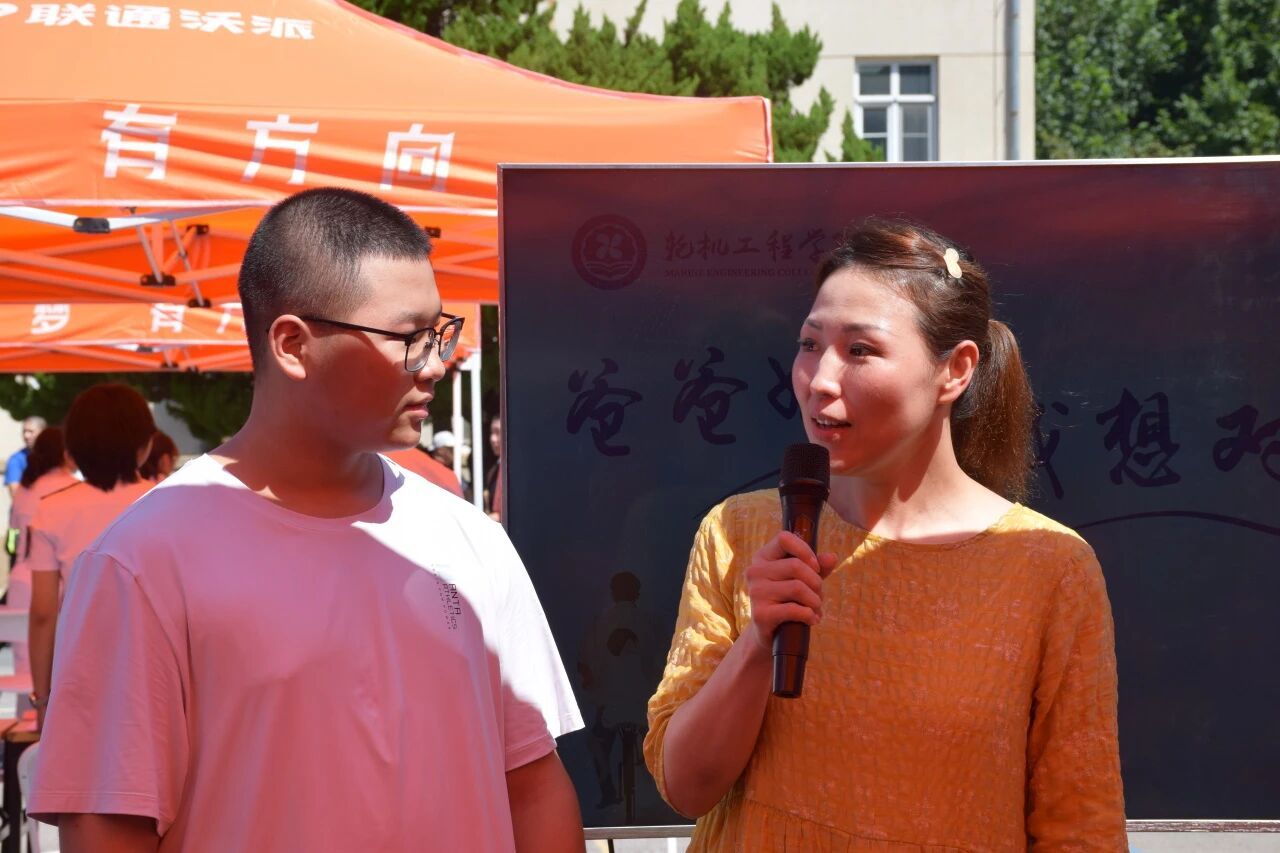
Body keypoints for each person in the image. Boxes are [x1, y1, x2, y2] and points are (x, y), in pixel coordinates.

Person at [29, 187, 584, 852]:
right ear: (292, 344)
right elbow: (107, 826)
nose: (438, 363)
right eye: (408, 337)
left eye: (439, 331)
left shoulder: (471, 540)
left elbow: (533, 783)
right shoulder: (144, 561)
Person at [644, 217, 1126, 850]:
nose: (819, 379)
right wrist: (757, 644)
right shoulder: (740, 531)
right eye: (810, 343)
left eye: (860, 351)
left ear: (955, 370)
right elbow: (685, 787)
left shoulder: (1048, 565)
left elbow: (1080, 823)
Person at [27, 384, 157, 730]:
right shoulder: (172, 501)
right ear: (146, 444)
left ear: (72, 449)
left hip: (80, 673)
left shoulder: (51, 509)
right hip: (158, 674)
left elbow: (43, 614)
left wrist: (43, 699)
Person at [7, 426, 78, 676]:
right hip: (58, 584)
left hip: (20, 584)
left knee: (24, 674)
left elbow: (13, 539)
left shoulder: (24, 490)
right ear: (66, 453)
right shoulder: (75, 489)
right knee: (61, 674)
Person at [385, 441, 465, 498]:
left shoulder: (450, 473)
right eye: (451, 450)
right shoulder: (445, 474)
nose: (456, 454)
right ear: (440, 451)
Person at [5, 416, 47, 497]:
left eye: (31, 431)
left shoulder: (57, 458)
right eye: (24, 431)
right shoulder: (16, 460)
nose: (26, 436)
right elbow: (16, 494)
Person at [484, 414, 503, 521]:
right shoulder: (493, 470)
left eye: (498, 432)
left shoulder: (514, 470)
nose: (492, 439)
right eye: (492, 433)